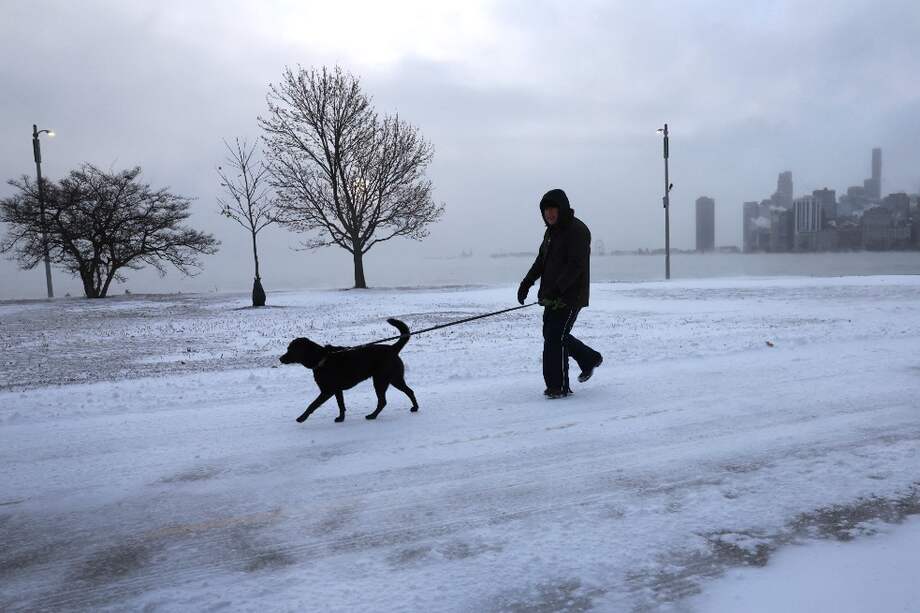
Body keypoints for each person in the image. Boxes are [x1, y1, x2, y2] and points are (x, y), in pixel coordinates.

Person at [517, 188, 603, 399]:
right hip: (551, 295)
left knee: (557, 335)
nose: (549, 214)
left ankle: (560, 386)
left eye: (553, 209)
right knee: (551, 335)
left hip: (571, 295)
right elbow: (541, 261)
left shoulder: (578, 231)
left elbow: (576, 266)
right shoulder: (550, 232)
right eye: (546, 210)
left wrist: (558, 289)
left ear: (562, 208)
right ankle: (585, 362)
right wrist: (527, 282)